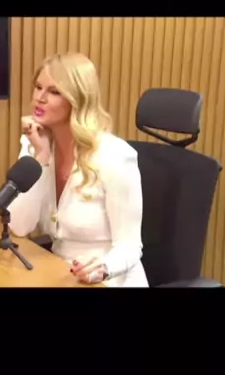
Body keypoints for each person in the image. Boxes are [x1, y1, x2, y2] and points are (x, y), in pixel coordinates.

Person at [8, 52, 149, 287]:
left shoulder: (114, 155)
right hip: (60, 275)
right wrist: (41, 157)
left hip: (110, 280)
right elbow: (19, 226)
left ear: (77, 100)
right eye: (38, 87)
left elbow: (130, 246)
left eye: (54, 92)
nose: (39, 98)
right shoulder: (35, 144)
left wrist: (104, 268)